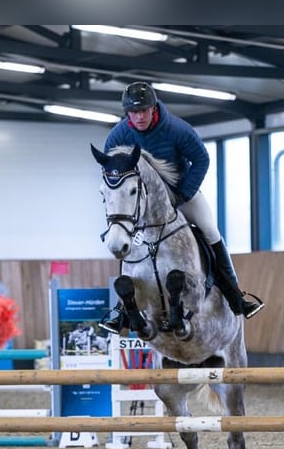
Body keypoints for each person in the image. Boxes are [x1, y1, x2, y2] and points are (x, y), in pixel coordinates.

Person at [100, 81, 264, 334]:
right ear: (127, 113)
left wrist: (184, 193)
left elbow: (201, 159)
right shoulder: (118, 136)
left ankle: (236, 296)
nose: (139, 116)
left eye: (144, 110)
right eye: (134, 112)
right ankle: (123, 311)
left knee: (210, 231)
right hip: (142, 204)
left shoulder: (176, 129)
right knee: (124, 241)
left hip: (181, 194)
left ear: (153, 108)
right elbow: (112, 174)